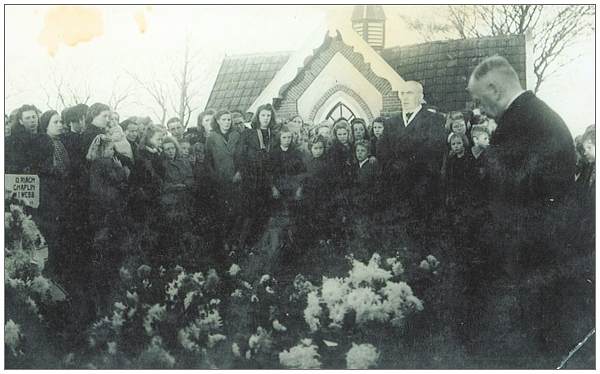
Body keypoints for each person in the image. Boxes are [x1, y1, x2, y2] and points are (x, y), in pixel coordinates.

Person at [466, 55, 577, 367]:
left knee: (526, 349)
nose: (478, 108)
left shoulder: (516, 127)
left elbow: (500, 198)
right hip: (548, 253)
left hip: (525, 258)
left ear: (495, 89)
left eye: (479, 99)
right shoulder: (542, 117)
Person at [384, 80, 446, 215]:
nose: (405, 97)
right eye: (402, 93)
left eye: (410, 93)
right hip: (396, 187)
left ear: (420, 96)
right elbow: (383, 152)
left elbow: (434, 152)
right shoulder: (390, 123)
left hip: (423, 187)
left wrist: (409, 167)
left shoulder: (434, 120)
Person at [86, 134, 130, 316]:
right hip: (109, 214)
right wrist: (122, 170)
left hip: (100, 215)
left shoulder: (94, 164)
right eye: (112, 149)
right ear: (105, 150)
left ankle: (102, 305)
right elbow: (119, 179)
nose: (114, 152)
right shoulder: (105, 163)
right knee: (111, 257)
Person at [236, 104, 278, 250]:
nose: (265, 119)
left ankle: (259, 246)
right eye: (263, 115)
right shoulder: (249, 134)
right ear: (258, 117)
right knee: (250, 214)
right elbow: (241, 155)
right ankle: (243, 246)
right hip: (252, 179)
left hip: (268, 179)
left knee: (265, 214)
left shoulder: (275, 134)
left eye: (268, 116)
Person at [37, 110, 70, 280]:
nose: (60, 125)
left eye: (61, 122)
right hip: (49, 197)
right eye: (55, 122)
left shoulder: (60, 143)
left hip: (61, 195)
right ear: (46, 125)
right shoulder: (44, 143)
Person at [267, 126, 306, 265]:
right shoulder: (274, 153)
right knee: (278, 221)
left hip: (292, 190)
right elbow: (269, 172)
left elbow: (302, 172)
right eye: (284, 137)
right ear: (279, 138)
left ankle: (292, 250)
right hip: (278, 191)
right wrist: (273, 188)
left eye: (289, 137)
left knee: (292, 219)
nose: (287, 140)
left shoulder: (296, 153)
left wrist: (299, 189)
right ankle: (277, 249)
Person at [205, 110, 242, 251]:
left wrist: (240, 172)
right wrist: (215, 177)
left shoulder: (236, 135)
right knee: (223, 212)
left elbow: (242, 157)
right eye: (224, 119)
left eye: (229, 119)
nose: (227, 122)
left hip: (236, 180)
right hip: (220, 182)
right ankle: (224, 242)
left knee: (237, 211)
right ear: (218, 121)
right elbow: (208, 161)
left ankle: (234, 241)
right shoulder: (212, 137)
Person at [352, 140, 378, 212]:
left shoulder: (371, 166)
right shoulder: (355, 166)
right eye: (357, 151)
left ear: (368, 153)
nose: (359, 153)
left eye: (362, 151)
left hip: (367, 202)